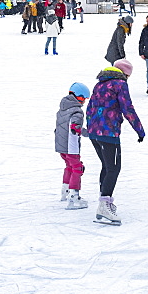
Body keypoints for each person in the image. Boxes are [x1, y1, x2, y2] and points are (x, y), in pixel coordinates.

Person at [85, 59, 145, 225]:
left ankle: (105, 202)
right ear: (125, 74)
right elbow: (128, 108)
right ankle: (104, 204)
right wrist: (139, 130)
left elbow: (90, 107)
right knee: (114, 168)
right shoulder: (120, 84)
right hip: (108, 132)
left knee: (106, 166)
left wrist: (90, 128)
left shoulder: (100, 84)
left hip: (94, 132)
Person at [55, 82, 90, 210]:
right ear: (76, 96)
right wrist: (89, 133)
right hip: (71, 146)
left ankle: (65, 192)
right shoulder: (77, 111)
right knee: (77, 168)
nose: (83, 102)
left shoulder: (62, 109)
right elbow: (75, 127)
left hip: (61, 146)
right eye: (82, 98)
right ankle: (74, 196)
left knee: (69, 166)